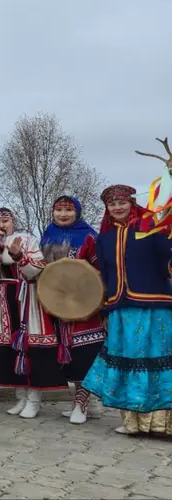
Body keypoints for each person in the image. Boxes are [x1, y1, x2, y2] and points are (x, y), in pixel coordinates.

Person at [84, 185, 172, 436]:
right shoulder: (104, 237)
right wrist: (105, 311)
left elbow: (166, 260)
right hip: (120, 309)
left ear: (132, 204)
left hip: (154, 306)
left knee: (157, 361)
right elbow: (105, 276)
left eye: (122, 203)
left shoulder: (151, 228)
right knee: (126, 363)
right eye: (112, 204)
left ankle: (163, 424)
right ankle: (133, 423)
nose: (117, 208)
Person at [0, 208, 66, 419]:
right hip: (4, 299)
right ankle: (20, 397)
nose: (2, 225)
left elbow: (36, 269)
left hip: (28, 296)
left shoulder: (28, 239)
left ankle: (34, 400)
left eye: (5, 220)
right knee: (10, 351)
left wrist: (18, 255)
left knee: (31, 348)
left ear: (13, 222)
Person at [39, 195, 105, 424]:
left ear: (77, 212)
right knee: (65, 359)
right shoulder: (48, 234)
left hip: (83, 307)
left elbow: (99, 270)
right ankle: (85, 403)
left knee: (83, 356)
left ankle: (81, 404)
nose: (63, 214)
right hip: (56, 305)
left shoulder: (88, 236)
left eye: (68, 210)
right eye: (58, 210)